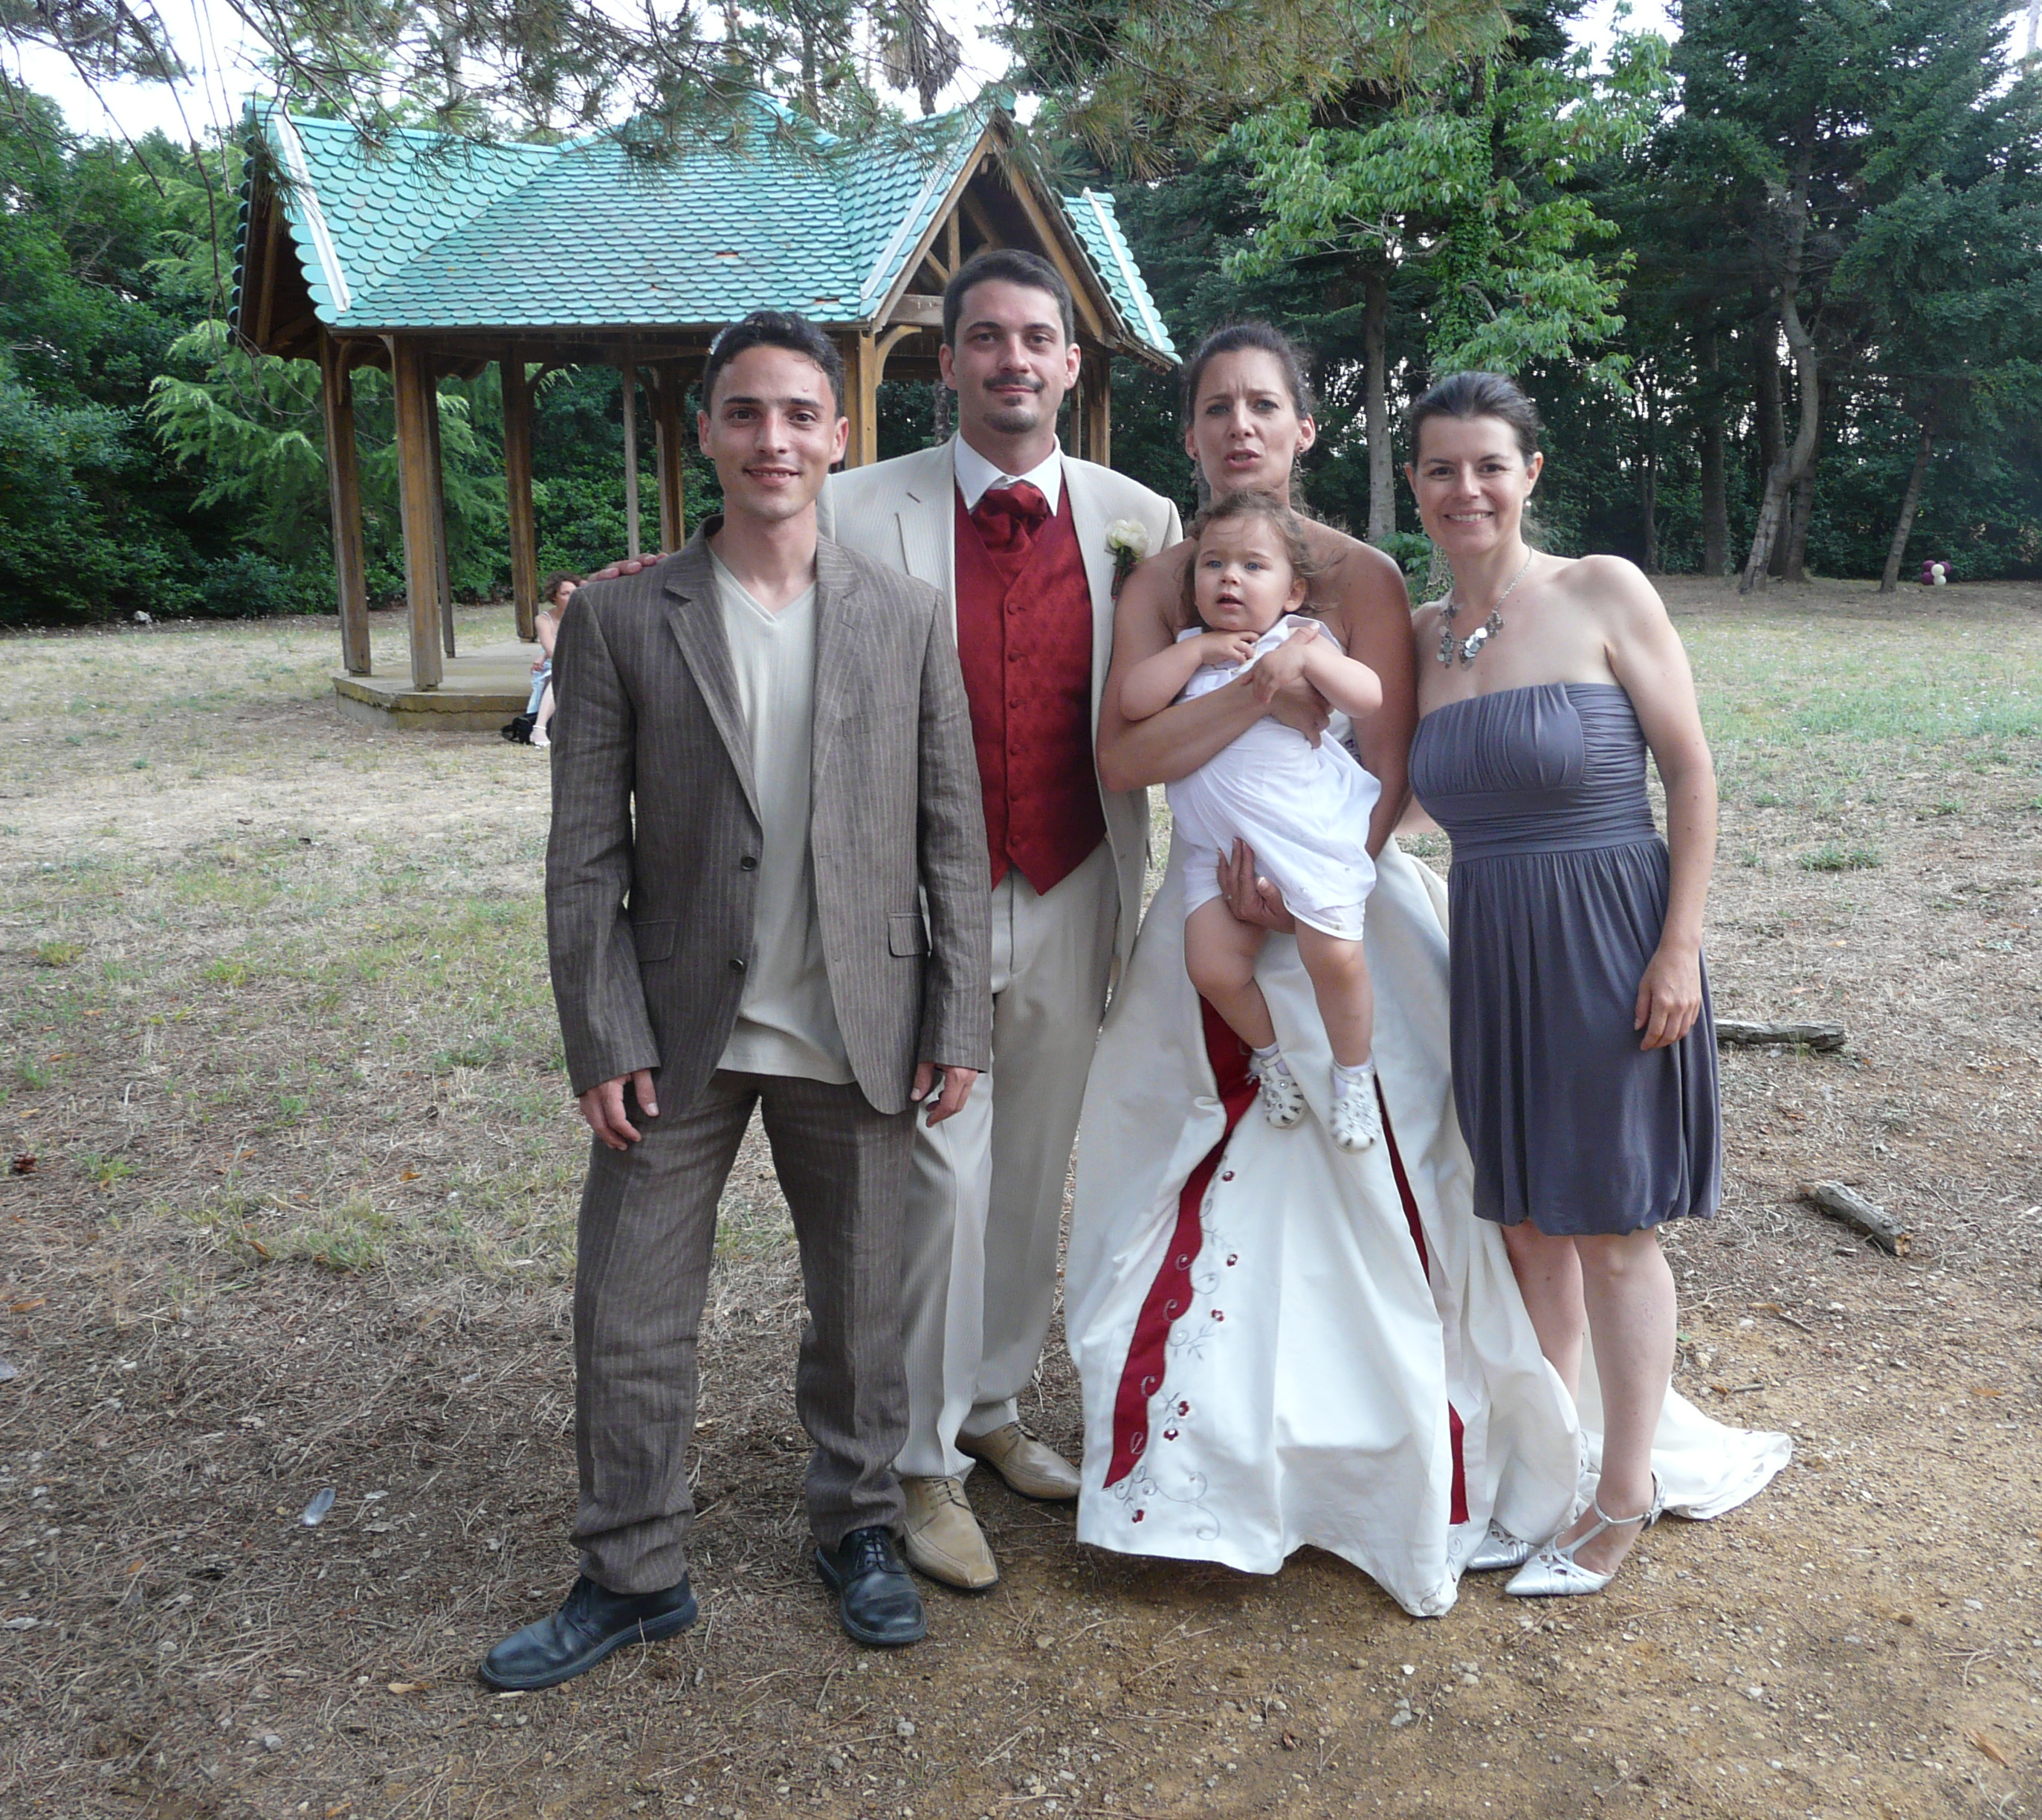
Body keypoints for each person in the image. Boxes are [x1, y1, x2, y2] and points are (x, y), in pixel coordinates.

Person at [1067, 325, 1787, 1619]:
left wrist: (1320, 889)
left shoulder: (1460, 585)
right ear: (1191, 433)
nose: (1241, 426)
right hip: (1400, 930)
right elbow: (1179, 764)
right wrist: (1256, 728)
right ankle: (1457, 1465)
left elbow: (1418, 769)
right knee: (1508, 1217)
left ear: (1304, 429)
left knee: (1568, 1216)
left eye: (1266, 404)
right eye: (1217, 406)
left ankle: (1592, 1480)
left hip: (1489, 916)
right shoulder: (1365, 618)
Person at [481, 311, 991, 1689]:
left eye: (800, 414)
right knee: (629, 1308)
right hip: (674, 1036)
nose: (775, 439)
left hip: (857, 1022)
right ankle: (631, 1569)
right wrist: (599, 1031)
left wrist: (956, 1016)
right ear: (704, 430)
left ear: (839, 436)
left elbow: (952, 834)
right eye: (747, 413)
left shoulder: (903, 614)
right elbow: (585, 850)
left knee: (862, 1309)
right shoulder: (620, 617)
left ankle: (861, 1527)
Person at [817, 250, 1186, 1593]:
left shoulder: (1140, 517)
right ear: (949, 360)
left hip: (1078, 876)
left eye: (1036, 338)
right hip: (926, 900)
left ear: (1070, 365)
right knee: (941, 1173)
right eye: (986, 338)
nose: (1012, 359)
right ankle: (918, 1462)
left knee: (1033, 1168)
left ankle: (989, 1403)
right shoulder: (857, 508)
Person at [1404, 371, 1730, 1597]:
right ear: (1414, 485)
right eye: (1441, 468)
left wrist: (1678, 946)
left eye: (1489, 464)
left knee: (1611, 1228)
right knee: (1530, 1226)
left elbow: (1690, 773)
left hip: (1607, 937)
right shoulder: (1424, 636)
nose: (1467, 488)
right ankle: (1547, 1469)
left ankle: (1621, 1494)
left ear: (1529, 472)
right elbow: (1394, 799)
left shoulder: (1600, 589)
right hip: (1491, 945)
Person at [1117, 490, 1384, 1151]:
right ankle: (1272, 1058)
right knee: (1211, 967)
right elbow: (1133, 702)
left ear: (1294, 591)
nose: (1230, 578)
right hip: (1219, 852)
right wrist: (1194, 653)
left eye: (1252, 566)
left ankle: (1354, 1075)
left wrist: (1307, 659)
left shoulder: (1303, 640)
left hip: (1301, 840)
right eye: (1213, 564)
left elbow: (1369, 697)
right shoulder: (1190, 649)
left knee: (1336, 958)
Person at [526, 572, 578, 749]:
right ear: (554, 596)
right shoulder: (543, 619)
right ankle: (539, 728)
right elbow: (553, 651)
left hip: (579, 663)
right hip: (557, 665)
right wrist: (545, 655)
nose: (571, 597)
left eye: (574, 593)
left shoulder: (583, 615)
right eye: (565, 594)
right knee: (560, 674)